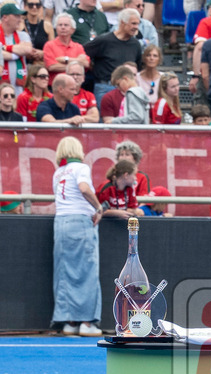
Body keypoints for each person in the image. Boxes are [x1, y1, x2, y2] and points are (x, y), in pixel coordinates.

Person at [51, 135, 104, 337]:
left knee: (65, 272)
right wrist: (98, 207)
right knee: (87, 271)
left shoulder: (58, 173)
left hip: (61, 222)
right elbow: (83, 188)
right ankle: (87, 323)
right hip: (80, 221)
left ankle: (69, 322)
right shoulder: (81, 168)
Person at [84, 8, 143, 102]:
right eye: (133, 23)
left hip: (128, 90)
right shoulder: (104, 40)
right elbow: (82, 52)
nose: (136, 27)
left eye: (138, 24)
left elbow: (138, 67)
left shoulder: (136, 44)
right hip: (104, 87)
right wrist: (92, 67)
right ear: (122, 23)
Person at [43, 12, 90, 80]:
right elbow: (51, 67)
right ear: (56, 28)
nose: (63, 27)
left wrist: (66, 59)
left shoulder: (78, 47)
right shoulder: (49, 45)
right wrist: (77, 63)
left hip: (75, 85)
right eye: (60, 25)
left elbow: (86, 63)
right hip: (56, 85)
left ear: (72, 30)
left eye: (66, 25)